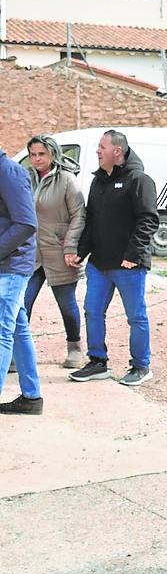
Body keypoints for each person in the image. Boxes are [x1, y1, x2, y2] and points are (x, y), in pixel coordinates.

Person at [67, 130, 159, 386]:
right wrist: (80, 252)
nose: (97, 151)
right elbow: (91, 220)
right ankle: (98, 362)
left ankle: (141, 366)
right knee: (92, 311)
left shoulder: (139, 180)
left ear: (117, 151)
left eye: (102, 147)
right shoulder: (98, 181)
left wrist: (133, 254)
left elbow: (149, 220)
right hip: (98, 264)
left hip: (128, 265)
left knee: (136, 317)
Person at [23, 135, 86, 368]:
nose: (37, 159)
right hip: (30, 253)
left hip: (60, 252)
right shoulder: (25, 178)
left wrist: (70, 246)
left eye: (42, 154)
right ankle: (16, 353)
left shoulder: (67, 180)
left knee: (66, 304)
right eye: (33, 155)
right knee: (22, 304)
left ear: (53, 154)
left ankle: (75, 349)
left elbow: (79, 215)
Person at [0, 144, 43, 415]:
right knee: (16, 327)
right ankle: (32, 397)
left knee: (1, 331)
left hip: (11, 266)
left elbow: (27, 223)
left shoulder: (9, 172)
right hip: (7, 264)